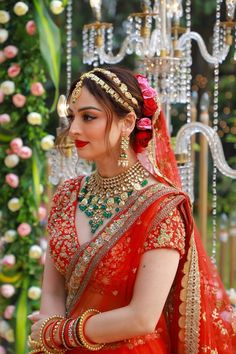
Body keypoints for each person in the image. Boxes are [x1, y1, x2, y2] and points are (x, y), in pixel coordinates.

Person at [28, 66, 236, 353]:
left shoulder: (161, 206)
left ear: (127, 123)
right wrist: (52, 340)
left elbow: (142, 317)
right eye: (71, 117)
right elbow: (52, 290)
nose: (73, 129)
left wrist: (57, 331)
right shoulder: (66, 195)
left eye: (89, 117)